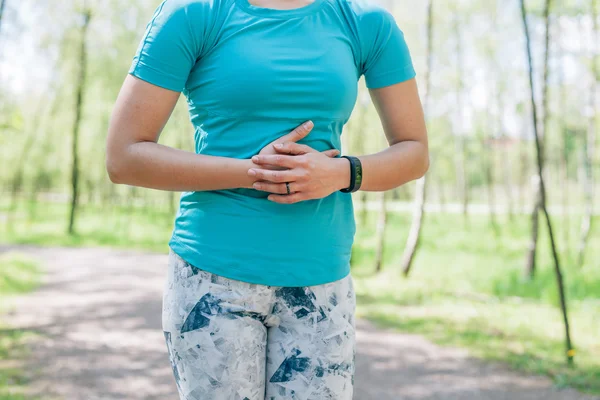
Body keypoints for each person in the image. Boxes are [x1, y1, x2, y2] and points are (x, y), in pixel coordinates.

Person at [105, 0, 428, 398]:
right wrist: (258, 172)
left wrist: (341, 172)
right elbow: (124, 157)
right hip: (212, 278)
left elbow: (414, 152)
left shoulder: (366, 23)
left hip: (322, 282)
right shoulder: (193, 13)